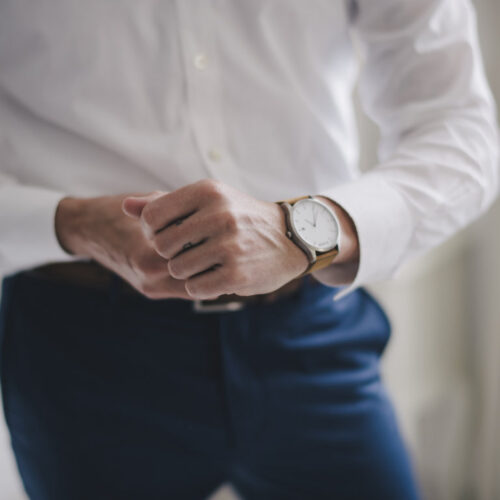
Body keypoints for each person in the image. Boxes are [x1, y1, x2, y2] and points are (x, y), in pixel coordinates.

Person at [0, 0, 497, 499]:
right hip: (81, 344)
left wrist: (299, 231)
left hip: (308, 326)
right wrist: (74, 222)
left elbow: (461, 132)